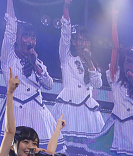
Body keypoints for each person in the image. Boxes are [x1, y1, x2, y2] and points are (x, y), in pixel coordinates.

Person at [83, 7, 133, 156]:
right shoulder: (115, 76)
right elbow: (115, 48)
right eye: (127, 63)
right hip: (118, 127)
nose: (130, 66)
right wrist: (114, 20)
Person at [0, 0, 56, 146]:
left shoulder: (37, 62)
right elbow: (10, 30)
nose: (30, 41)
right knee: (12, 152)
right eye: (26, 37)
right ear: (18, 38)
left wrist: (36, 66)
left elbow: (49, 85)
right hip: (16, 110)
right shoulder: (9, 57)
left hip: (37, 115)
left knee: (35, 153)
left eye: (33, 38)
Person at [52, 0, 103, 147]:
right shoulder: (67, 58)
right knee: (64, 146)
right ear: (75, 42)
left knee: (89, 150)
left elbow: (98, 84)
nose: (84, 44)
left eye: (87, 41)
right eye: (80, 40)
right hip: (69, 105)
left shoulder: (93, 62)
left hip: (87, 110)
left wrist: (90, 62)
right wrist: (66, 9)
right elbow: (65, 36)